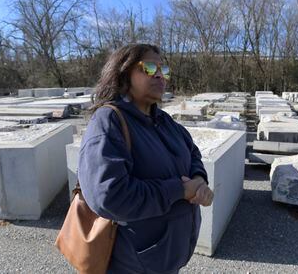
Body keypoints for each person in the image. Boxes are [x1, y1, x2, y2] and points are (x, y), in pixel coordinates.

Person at [78, 43, 214, 274]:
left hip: (165, 258)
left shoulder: (164, 121)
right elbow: (109, 196)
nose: (160, 75)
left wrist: (199, 179)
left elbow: (192, 153)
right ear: (123, 72)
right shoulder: (109, 121)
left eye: (164, 69)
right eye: (150, 67)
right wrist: (179, 191)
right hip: (133, 262)